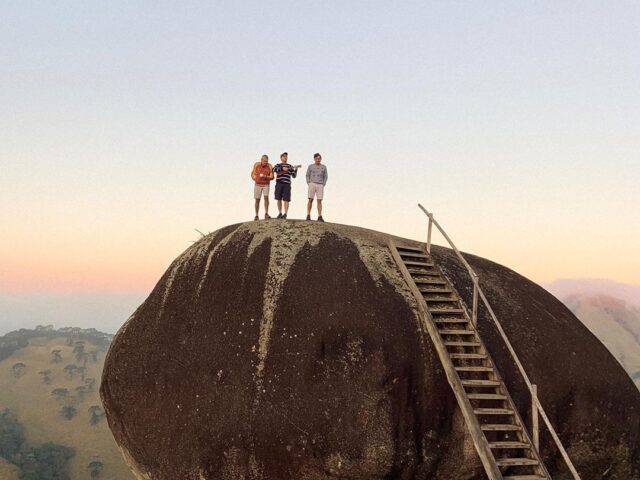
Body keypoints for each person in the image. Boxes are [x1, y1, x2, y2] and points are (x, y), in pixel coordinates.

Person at [272, 152, 301, 219]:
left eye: (286, 157)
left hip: (287, 184)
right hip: (279, 183)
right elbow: (273, 169)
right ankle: (280, 213)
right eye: (284, 156)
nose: (285, 158)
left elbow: (294, 175)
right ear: (281, 158)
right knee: (278, 198)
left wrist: (296, 169)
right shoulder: (278, 165)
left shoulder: (290, 166)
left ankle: (285, 213)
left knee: (286, 199)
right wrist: (282, 169)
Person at [251, 154, 274, 220]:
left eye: (266, 161)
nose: (265, 163)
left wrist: (266, 176)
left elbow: (272, 176)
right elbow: (252, 174)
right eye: (264, 161)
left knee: (266, 198)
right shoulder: (256, 164)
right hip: (257, 184)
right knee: (257, 200)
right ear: (261, 160)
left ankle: (266, 213)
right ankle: (256, 215)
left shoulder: (269, 166)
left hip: (266, 184)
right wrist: (256, 179)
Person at [306, 153, 328, 221]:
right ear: (314, 159)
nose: (318, 160)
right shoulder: (310, 166)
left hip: (320, 184)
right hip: (312, 183)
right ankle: (308, 214)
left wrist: (323, 184)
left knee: (319, 200)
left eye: (319, 159)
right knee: (310, 199)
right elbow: (307, 175)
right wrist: (309, 183)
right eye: (317, 159)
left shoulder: (324, 167)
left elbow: (325, 176)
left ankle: (319, 216)